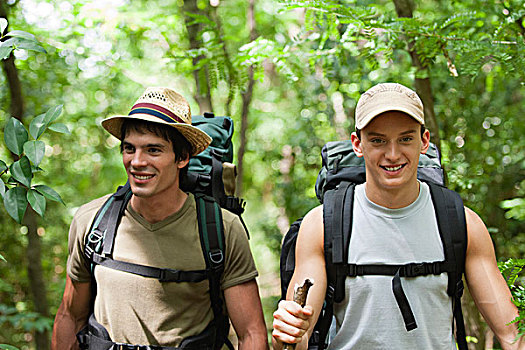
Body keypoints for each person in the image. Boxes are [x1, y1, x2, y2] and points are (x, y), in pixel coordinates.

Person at [272, 83, 523, 349]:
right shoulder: (322, 225)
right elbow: (295, 342)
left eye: (405, 139)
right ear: (357, 144)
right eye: (378, 140)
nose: (392, 155)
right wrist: (285, 334)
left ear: (424, 141)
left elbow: (513, 336)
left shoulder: (462, 223)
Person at [52, 87, 268, 349]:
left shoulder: (222, 229)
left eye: (153, 150)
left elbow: (251, 334)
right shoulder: (92, 222)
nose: (137, 161)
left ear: (182, 158)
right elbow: (69, 316)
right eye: (129, 148)